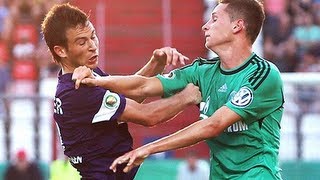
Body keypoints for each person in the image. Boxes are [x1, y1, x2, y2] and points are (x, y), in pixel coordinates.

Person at [73, 0, 284, 179]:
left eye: (214, 19)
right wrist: (98, 80)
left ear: (237, 26)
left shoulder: (263, 75)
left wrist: (149, 148)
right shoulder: (202, 71)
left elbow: (214, 124)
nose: (205, 25)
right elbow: (143, 85)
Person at [41, 3, 201, 179]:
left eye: (93, 36)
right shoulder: (78, 91)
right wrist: (186, 97)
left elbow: (125, 98)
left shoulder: (85, 77)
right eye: (82, 42)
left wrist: (155, 65)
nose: (92, 46)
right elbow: (148, 116)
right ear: (60, 50)